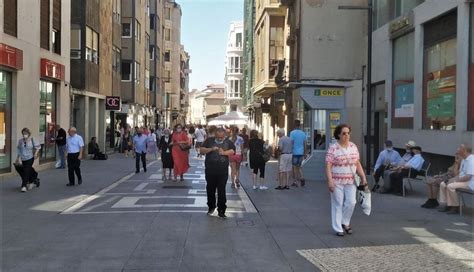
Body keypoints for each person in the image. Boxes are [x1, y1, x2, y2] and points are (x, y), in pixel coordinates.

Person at [325, 124, 368, 237]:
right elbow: (328, 165)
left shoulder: (353, 146)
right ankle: (338, 228)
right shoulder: (333, 148)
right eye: (344, 133)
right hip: (337, 181)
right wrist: (330, 181)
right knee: (337, 204)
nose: (346, 135)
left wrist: (363, 177)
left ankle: (345, 222)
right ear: (338, 135)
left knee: (351, 202)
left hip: (351, 180)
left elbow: (357, 163)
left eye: (348, 133)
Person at [200, 127, 235, 218]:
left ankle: (221, 210)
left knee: (221, 191)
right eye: (218, 137)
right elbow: (201, 150)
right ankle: (211, 207)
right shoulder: (209, 140)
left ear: (224, 136)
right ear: (215, 135)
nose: (220, 139)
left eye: (221, 137)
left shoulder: (228, 142)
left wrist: (224, 153)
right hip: (210, 170)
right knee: (210, 190)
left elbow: (232, 151)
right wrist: (211, 149)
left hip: (222, 171)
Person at [438, 144, 474, 214]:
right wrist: (451, 180)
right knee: (443, 183)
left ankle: (455, 207)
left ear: (465, 151)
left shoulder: (472, 161)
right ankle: (448, 204)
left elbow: (468, 177)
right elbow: (459, 175)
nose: (457, 150)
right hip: (464, 180)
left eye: (459, 148)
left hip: (470, 183)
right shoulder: (464, 159)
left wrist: (453, 181)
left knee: (450, 186)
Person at [15, 128, 41, 192]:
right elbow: (19, 150)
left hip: (30, 158)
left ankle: (23, 186)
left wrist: (35, 153)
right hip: (23, 158)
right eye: (23, 133)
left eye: (26, 133)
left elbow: (38, 147)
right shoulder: (20, 141)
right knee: (29, 170)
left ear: (29, 134)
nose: (24, 135)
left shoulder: (32, 140)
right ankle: (35, 179)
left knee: (26, 171)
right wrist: (17, 158)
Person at [290, 120, 307, 187]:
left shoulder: (292, 133)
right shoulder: (303, 133)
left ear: (294, 125)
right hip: (301, 152)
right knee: (299, 166)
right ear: (299, 125)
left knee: (294, 167)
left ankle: (295, 182)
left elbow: (291, 142)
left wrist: (290, 150)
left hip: (294, 152)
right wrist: (305, 153)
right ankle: (302, 177)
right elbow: (305, 144)